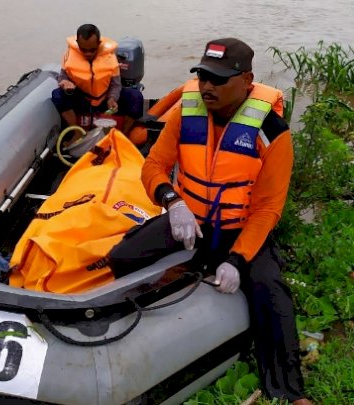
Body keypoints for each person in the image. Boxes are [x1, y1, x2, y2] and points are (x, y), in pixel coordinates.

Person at [107, 38, 312, 404]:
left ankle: (290, 391)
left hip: (240, 232)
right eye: (202, 76)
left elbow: (267, 208)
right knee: (122, 257)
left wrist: (237, 258)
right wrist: (172, 202)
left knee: (273, 295)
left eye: (218, 80)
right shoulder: (187, 113)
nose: (206, 87)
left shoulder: (273, 131)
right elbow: (154, 166)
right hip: (189, 223)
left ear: (247, 80)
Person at [51, 24, 143, 135]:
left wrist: (112, 99)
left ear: (99, 44)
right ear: (78, 43)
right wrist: (65, 82)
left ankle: (122, 135)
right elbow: (62, 76)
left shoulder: (110, 57)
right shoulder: (69, 55)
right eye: (83, 50)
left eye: (92, 50)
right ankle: (77, 132)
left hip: (104, 99)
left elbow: (116, 84)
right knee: (57, 95)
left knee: (136, 97)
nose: (88, 53)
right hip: (82, 98)